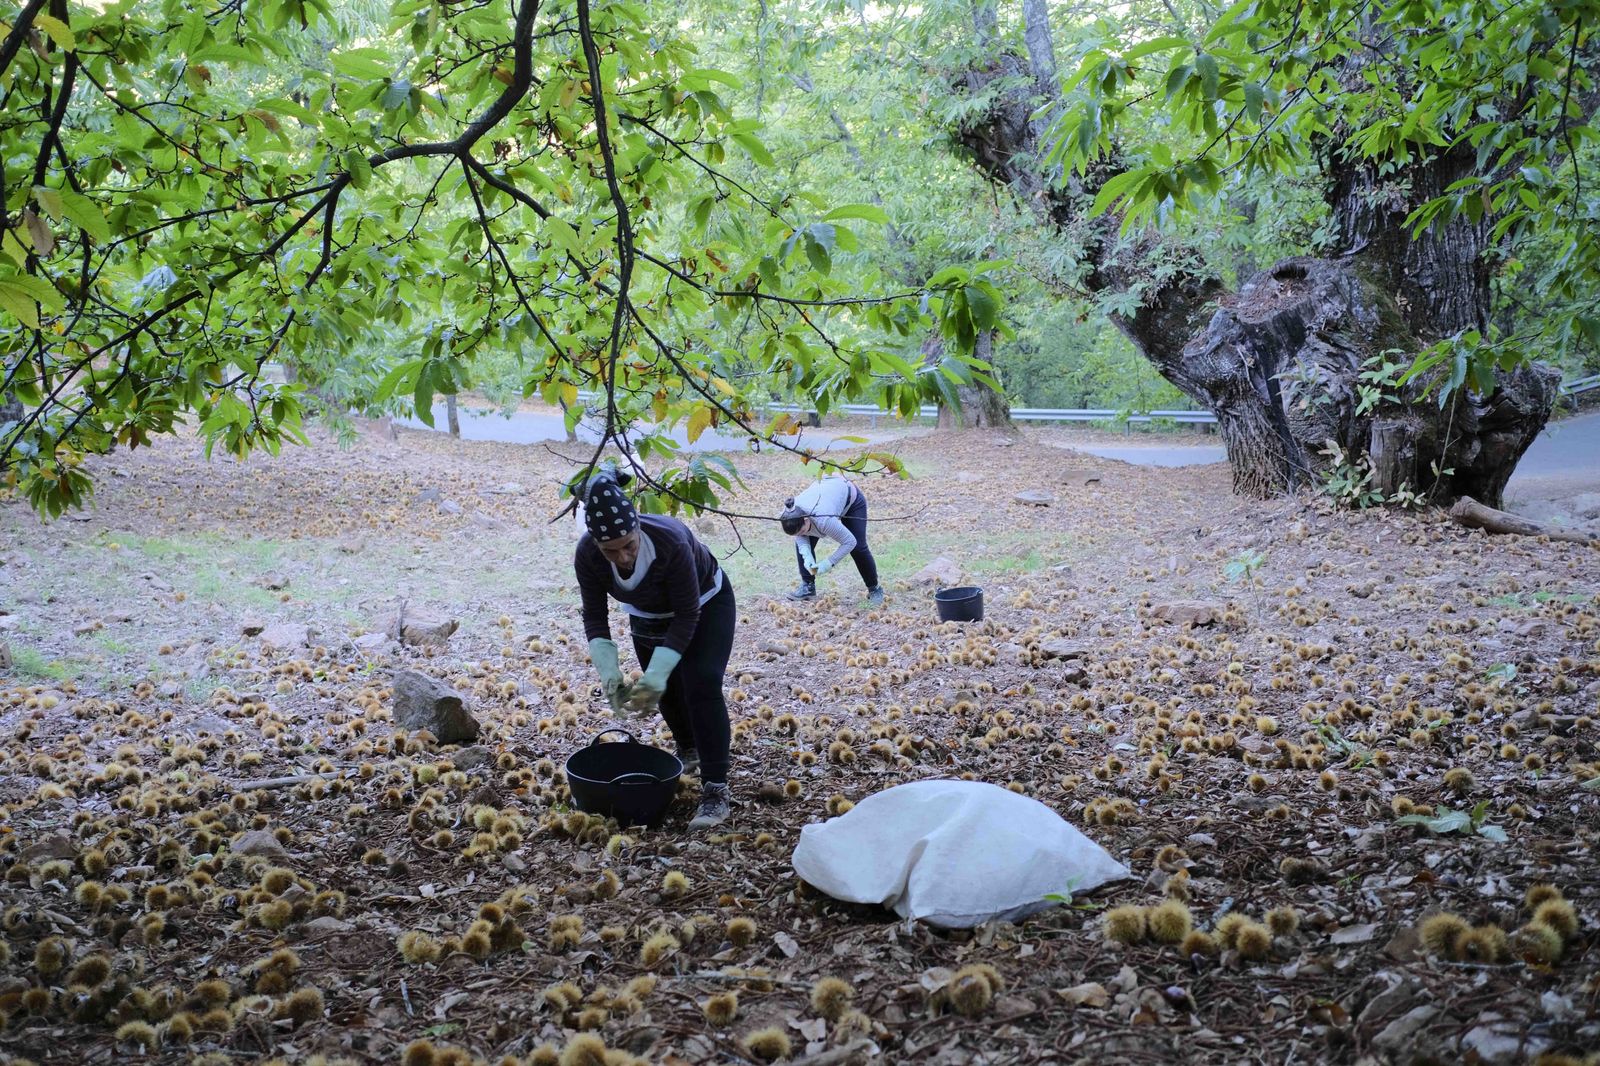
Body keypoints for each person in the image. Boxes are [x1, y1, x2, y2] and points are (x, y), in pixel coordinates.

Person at [574, 468, 734, 830]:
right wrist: (609, 672)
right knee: (665, 693)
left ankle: (715, 789)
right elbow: (595, 616)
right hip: (646, 613)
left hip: (705, 604)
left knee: (701, 683)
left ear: (638, 529)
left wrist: (658, 671)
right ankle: (689, 750)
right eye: (610, 551)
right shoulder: (587, 554)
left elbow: (688, 614)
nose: (624, 557)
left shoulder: (670, 541)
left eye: (629, 544)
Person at [779, 475, 883, 606]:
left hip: (851, 501)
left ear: (806, 520)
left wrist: (827, 564)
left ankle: (874, 589)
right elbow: (800, 536)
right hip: (824, 500)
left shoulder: (824, 520)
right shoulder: (788, 514)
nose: (800, 536)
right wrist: (807, 557)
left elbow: (849, 542)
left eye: (801, 532)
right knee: (803, 541)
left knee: (858, 548)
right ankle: (808, 586)